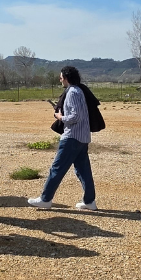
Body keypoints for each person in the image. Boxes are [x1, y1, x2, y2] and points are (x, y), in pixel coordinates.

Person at [28, 66, 96, 210]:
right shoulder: (80, 91)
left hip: (72, 137)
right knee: (83, 170)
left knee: (57, 169)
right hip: (82, 137)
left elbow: (75, 116)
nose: (60, 79)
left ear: (66, 78)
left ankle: (45, 199)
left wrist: (60, 117)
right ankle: (89, 201)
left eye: (61, 77)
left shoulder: (72, 92)